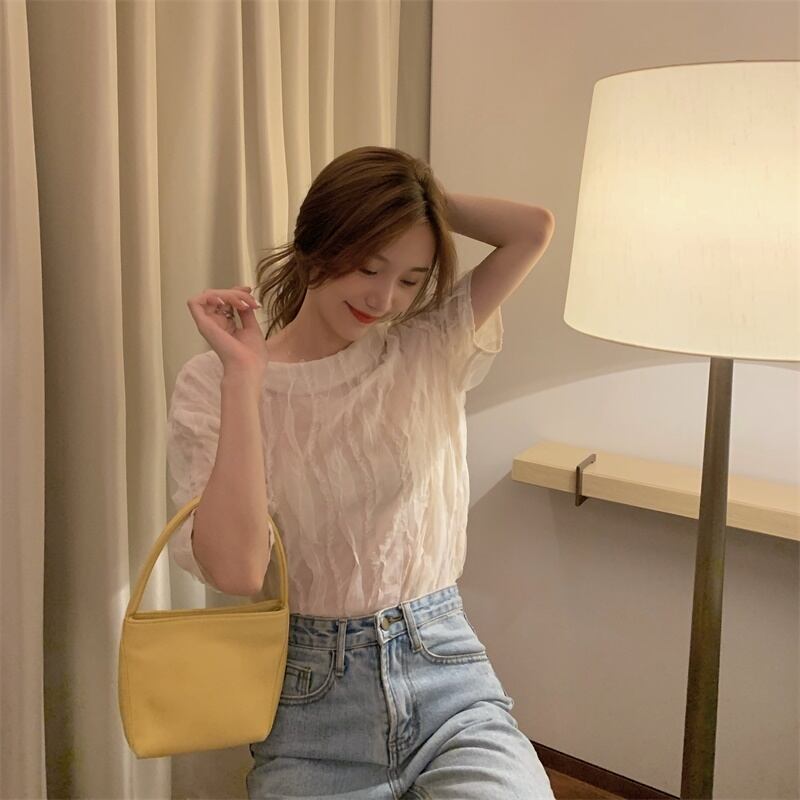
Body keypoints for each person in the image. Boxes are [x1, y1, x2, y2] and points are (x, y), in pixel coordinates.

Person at [166, 146, 556, 798]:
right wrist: (245, 378)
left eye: (410, 279)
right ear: (317, 242)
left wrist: (417, 195)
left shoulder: (426, 350)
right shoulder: (214, 382)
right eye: (369, 266)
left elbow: (532, 230)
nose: (383, 298)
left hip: (445, 677)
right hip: (308, 703)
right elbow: (237, 571)